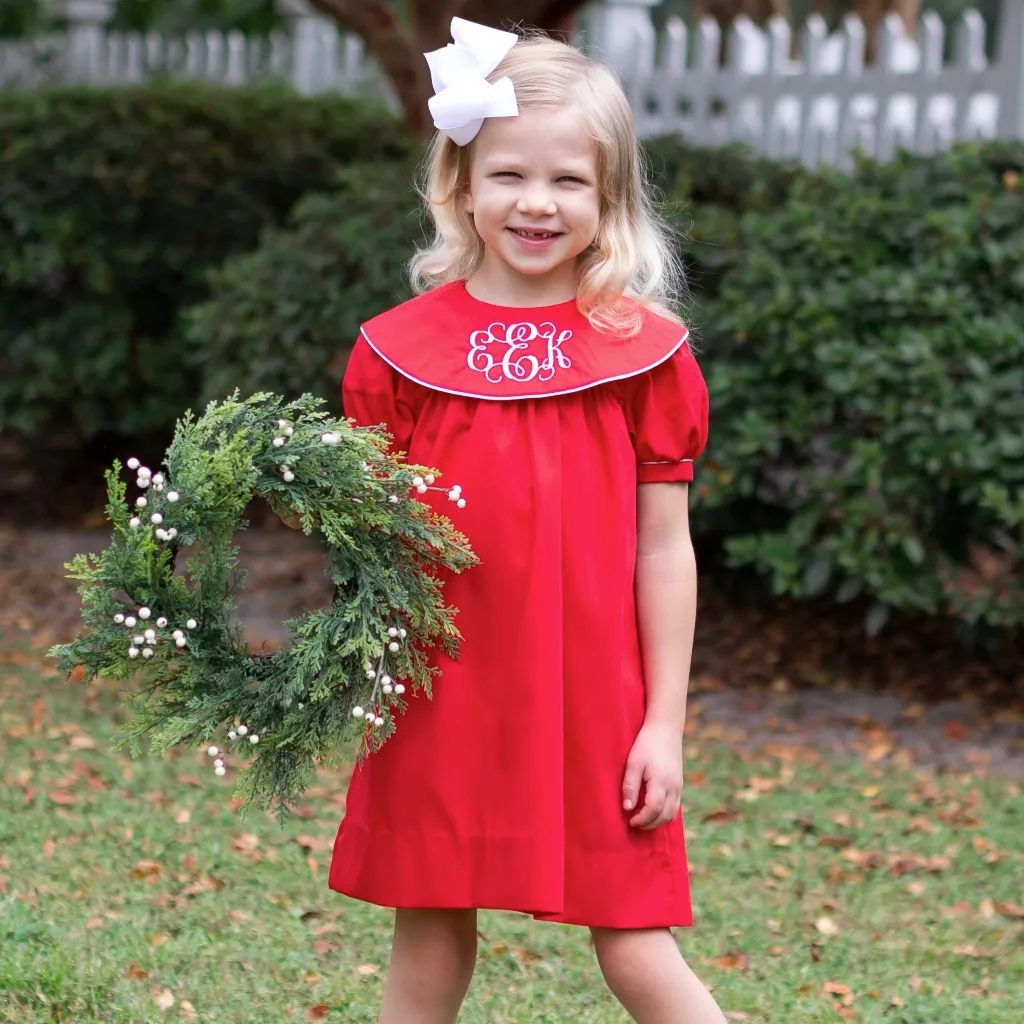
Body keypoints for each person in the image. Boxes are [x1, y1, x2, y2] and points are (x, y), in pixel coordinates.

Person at [327, 18, 728, 1024]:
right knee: (426, 928)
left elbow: (662, 546)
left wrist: (664, 724)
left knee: (634, 942)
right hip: (441, 691)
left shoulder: (644, 355)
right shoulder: (396, 354)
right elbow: (374, 548)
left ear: (609, 201)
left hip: (595, 696)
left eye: (568, 181)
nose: (536, 202)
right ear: (460, 184)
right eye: (507, 174)